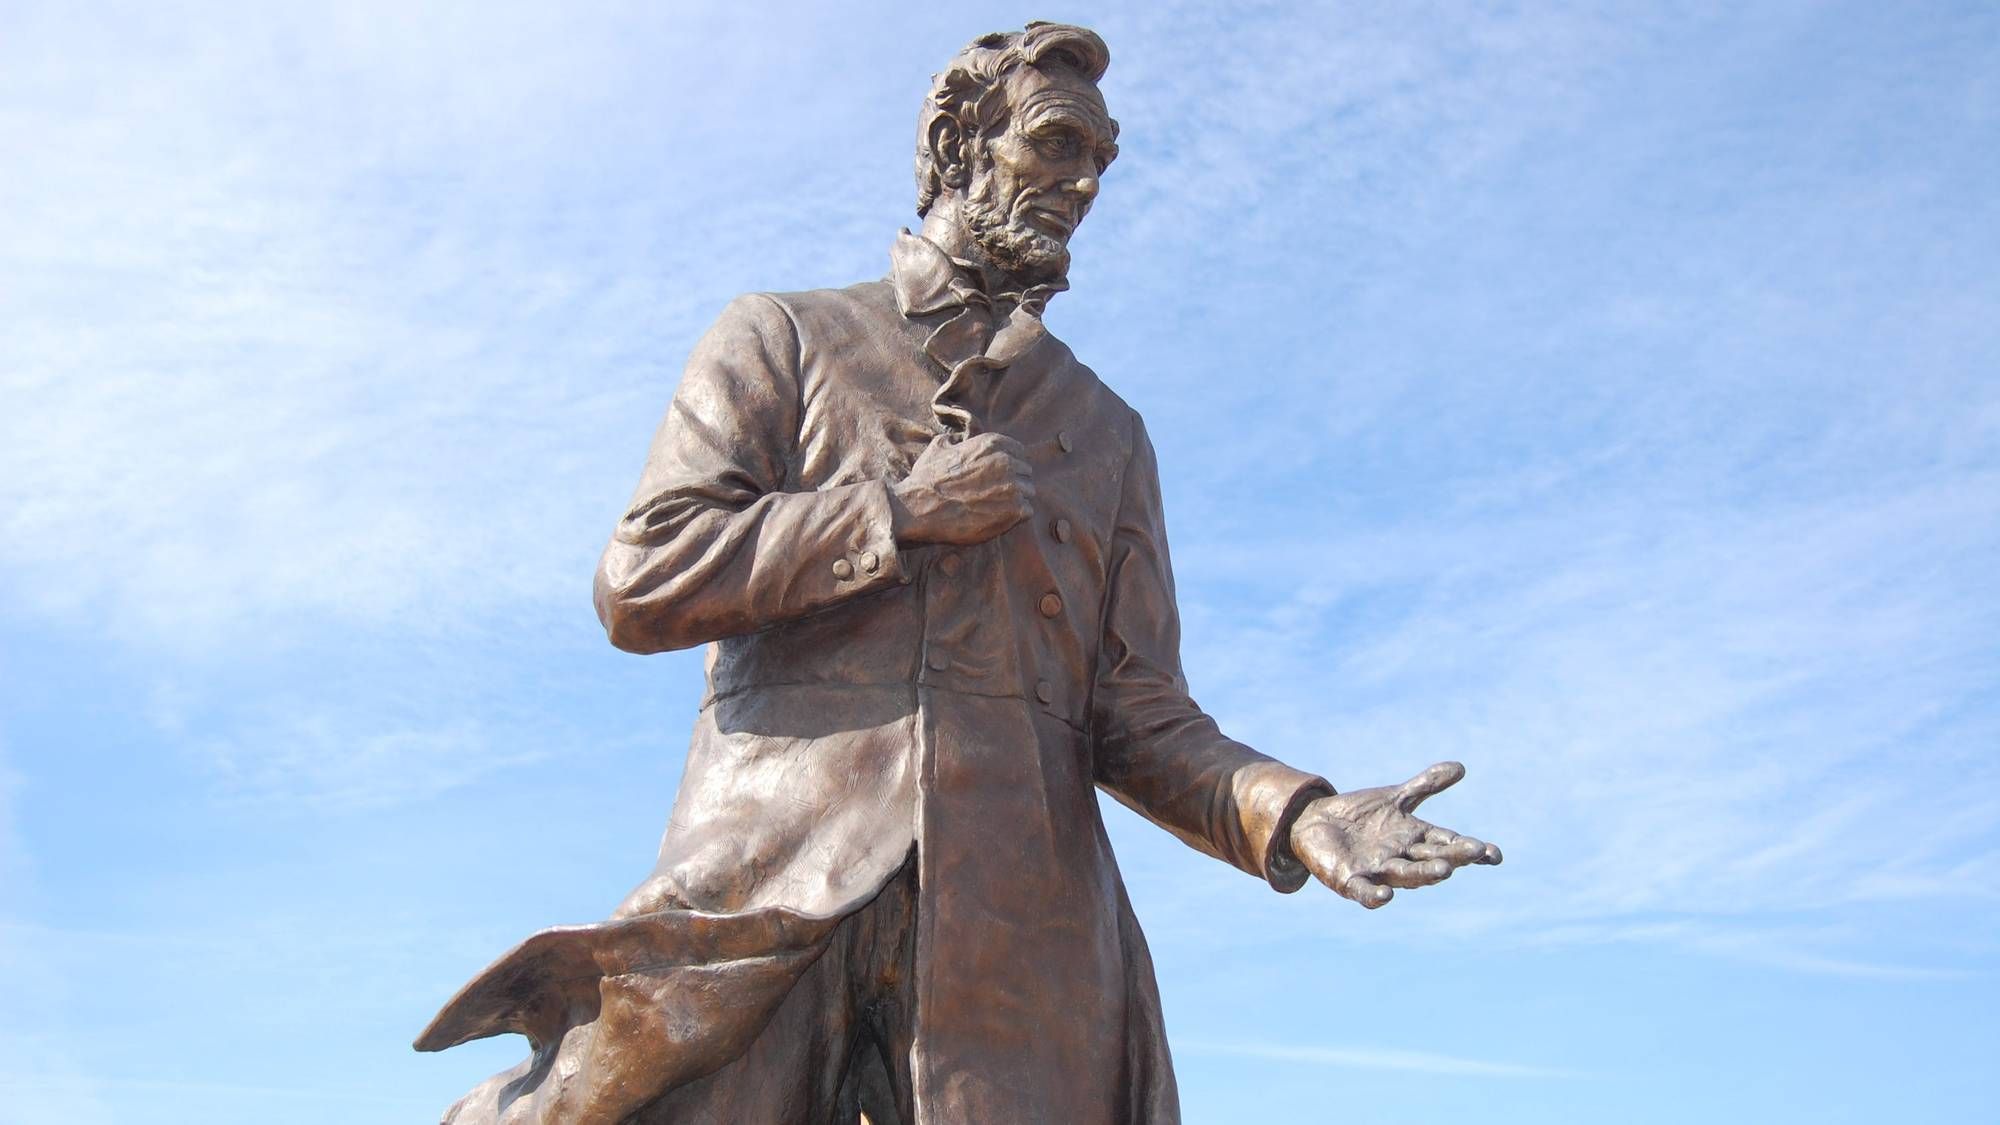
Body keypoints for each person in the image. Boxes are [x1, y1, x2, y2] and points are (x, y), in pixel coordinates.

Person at [416, 22, 1502, 1125]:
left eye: (1100, 160)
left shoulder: (1108, 434)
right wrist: (892, 515)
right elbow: (643, 574)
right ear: (957, 145)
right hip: (771, 904)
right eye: (1056, 142)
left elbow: (1135, 712)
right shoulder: (785, 336)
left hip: (1017, 951)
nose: (1084, 184)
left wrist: (1295, 812)